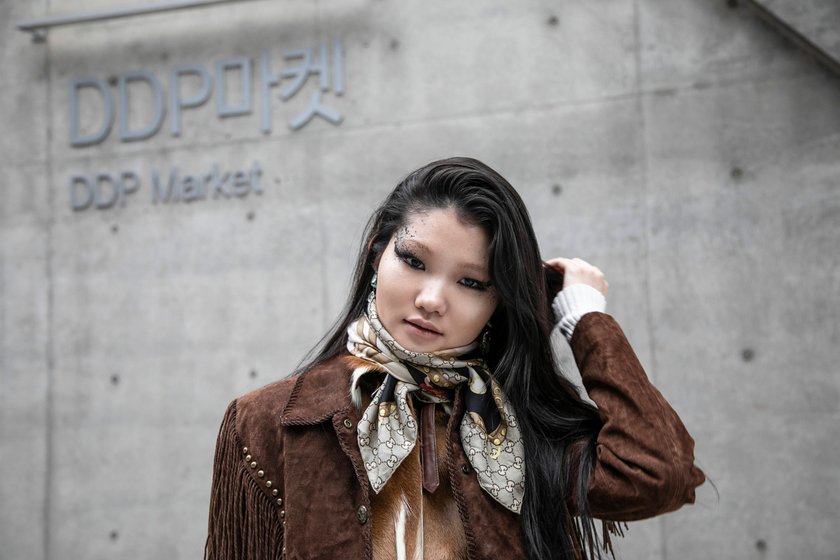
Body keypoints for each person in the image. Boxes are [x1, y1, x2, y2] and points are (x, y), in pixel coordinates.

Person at [205, 157, 705, 560]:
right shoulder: (269, 420)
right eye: (413, 261)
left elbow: (658, 474)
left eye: (471, 282)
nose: (431, 300)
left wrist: (584, 318)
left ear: (498, 302)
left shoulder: (521, 424)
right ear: (378, 255)